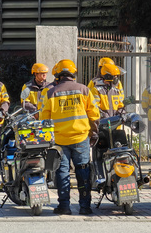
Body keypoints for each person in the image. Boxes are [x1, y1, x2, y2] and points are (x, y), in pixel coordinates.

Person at [40, 59, 100, 215]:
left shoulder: (51, 93)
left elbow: (44, 119)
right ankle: (85, 207)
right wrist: (93, 133)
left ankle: (64, 207)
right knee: (83, 171)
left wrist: (47, 138)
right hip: (80, 138)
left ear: (58, 75)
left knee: (62, 172)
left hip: (60, 140)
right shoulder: (84, 90)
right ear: (73, 74)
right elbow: (94, 115)